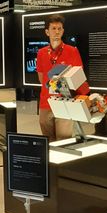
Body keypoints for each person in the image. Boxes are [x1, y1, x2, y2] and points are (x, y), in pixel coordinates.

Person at [36, 14, 89, 142]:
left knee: (63, 140)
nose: (57, 32)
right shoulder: (41, 53)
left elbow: (78, 77)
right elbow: (41, 78)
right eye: (53, 28)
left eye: (59, 28)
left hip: (64, 102)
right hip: (45, 103)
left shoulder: (72, 51)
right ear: (47, 32)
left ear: (63, 31)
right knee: (47, 140)